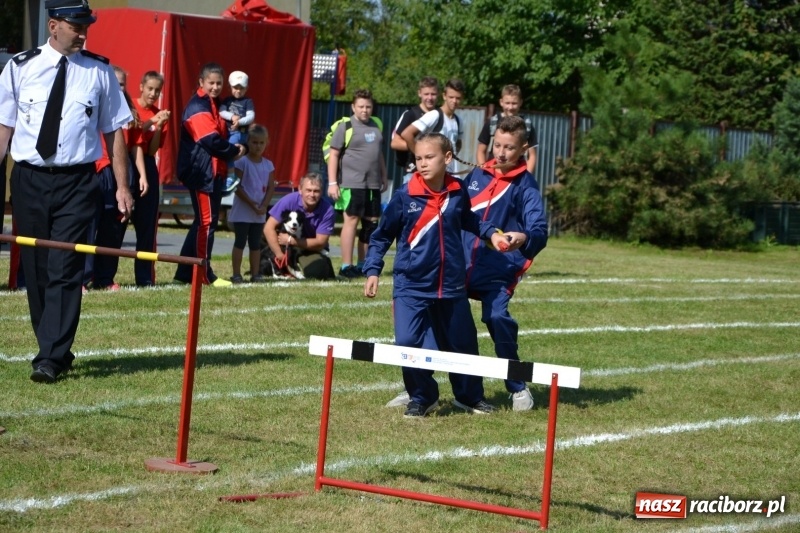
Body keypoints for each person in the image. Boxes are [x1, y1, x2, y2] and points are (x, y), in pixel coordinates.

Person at [0, 0, 134, 383]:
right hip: (29, 179)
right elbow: (4, 128)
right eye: (76, 26)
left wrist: (122, 186)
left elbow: (114, 131)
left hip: (77, 181)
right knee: (36, 266)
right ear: (53, 25)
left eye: (86, 26)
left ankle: (51, 357)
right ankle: (53, 344)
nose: (83, 33)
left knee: (65, 265)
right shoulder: (20, 67)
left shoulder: (99, 71)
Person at [363, 133, 512, 418]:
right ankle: (422, 397)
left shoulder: (457, 190)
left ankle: (469, 397)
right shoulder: (405, 195)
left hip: (452, 286)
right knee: (408, 343)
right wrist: (373, 269)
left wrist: (491, 233)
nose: (422, 163)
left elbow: (469, 219)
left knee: (462, 344)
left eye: (429, 157)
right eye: (418, 158)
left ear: (447, 158)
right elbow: (381, 236)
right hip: (412, 286)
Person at [173, 63, 246, 287]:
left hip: (212, 171)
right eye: (211, 83)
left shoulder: (215, 104)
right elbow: (210, 141)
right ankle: (203, 274)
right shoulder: (198, 106)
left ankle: (183, 274)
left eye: (219, 83)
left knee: (202, 222)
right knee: (206, 223)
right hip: (201, 172)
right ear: (201, 82)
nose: (215, 87)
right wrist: (235, 150)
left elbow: (221, 134)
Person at [83, 65, 139, 291]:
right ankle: (83, 277)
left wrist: (138, 176)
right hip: (98, 169)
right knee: (89, 225)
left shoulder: (129, 112)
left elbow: (135, 147)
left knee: (114, 226)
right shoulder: (93, 104)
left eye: (122, 84)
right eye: (115, 83)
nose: (118, 88)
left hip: (121, 173)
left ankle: (105, 278)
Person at [326, 89, 388, 279]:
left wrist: (384, 175)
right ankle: (346, 266)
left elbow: (378, 153)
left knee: (371, 224)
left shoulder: (377, 124)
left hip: (373, 185)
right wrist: (332, 183)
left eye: (368, 106)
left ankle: (363, 264)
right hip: (351, 183)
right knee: (351, 222)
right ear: (353, 107)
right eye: (361, 106)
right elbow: (334, 155)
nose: (365, 110)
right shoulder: (345, 126)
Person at [129, 70, 170, 287]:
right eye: (150, 88)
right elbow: (131, 135)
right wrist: (152, 121)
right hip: (128, 164)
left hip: (147, 164)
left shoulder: (159, 115)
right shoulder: (131, 107)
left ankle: (144, 277)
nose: (153, 94)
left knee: (147, 226)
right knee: (116, 223)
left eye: (157, 90)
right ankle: (104, 276)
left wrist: (159, 126)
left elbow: (152, 150)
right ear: (141, 87)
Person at [263, 172, 336, 280]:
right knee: (265, 266)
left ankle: (322, 264)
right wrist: (279, 255)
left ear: (321, 192)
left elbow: (320, 242)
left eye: (316, 191)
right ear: (300, 189)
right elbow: (268, 228)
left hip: (310, 249)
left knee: (316, 272)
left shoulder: (328, 210)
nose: (312, 194)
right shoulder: (289, 201)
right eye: (308, 190)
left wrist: (291, 241)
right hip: (285, 249)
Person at [229, 124, 274, 283]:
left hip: (259, 212)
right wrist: (252, 204)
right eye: (254, 142)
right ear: (248, 142)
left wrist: (264, 205)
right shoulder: (242, 162)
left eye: (262, 143)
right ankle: (236, 274)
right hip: (243, 211)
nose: (258, 146)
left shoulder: (268, 165)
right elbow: (237, 186)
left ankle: (256, 274)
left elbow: (270, 187)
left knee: (255, 244)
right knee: (240, 242)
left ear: (266, 143)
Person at [400, 78, 465, 175]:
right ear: (444, 96)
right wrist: (420, 157)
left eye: (458, 98)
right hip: (431, 175)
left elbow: (458, 144)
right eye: (451, 97)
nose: (454, 101)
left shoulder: (459, 120)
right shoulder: (434, 115)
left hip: (450, 173)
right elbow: (406, 133)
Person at [476, 84, 538, 175]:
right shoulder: (492, 122)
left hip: (517, 174)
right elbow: (481, 150)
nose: (510, 107)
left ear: (520, 102)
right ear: (501, 102)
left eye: (514, 103)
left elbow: (532, 155)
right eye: (507, 103)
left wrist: (527, 176)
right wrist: (484, 172)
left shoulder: (527, 125)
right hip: (493, 172)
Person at [390, 76, 439, 184]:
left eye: (433, 94)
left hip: (435, 172)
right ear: (419, 93)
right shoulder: (410, 114)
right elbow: (395, 143)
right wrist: (420, 149)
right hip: (413, 173)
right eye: (426, 94)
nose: (430, 98)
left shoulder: (440, 115)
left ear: (438, 94)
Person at [220, 70, 254, 192]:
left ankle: (231, 176)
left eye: (241, 88)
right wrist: (232, 117)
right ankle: (225, 174)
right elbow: (221, 112)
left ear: (246, 88)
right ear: (230, 87)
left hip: (239, 133)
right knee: (223, 151)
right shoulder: (227, 100)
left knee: (230, 149)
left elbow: (251, 117)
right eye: (235, 88)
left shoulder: (247, 101)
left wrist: (239, 122)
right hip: (226, 132)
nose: (238, 91)